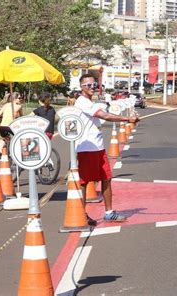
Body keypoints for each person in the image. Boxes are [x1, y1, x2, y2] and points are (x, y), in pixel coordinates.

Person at [75, 73, 139, 225]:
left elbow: (106, 112)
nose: (92, 87)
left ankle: (109, 212)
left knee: (106, 178)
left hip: (98, 147)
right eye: (88, 85)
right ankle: (80, 214)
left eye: (94, 85)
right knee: (84, 182)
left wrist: (128, 116)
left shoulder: (92, 102)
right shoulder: (82, 102)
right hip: (86, 147)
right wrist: (127, 119)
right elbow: (105, 116)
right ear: (81, 87)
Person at [0, 92, 23, 157]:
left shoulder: (6, 105)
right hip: (11, 126)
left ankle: (0, 151)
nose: (20, 99)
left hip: (2, 127)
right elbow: (22, 117)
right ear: (15, 99)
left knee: (3, 138)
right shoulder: (19, 106)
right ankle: (13, 152)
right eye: (19, 98)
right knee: (18, 137)